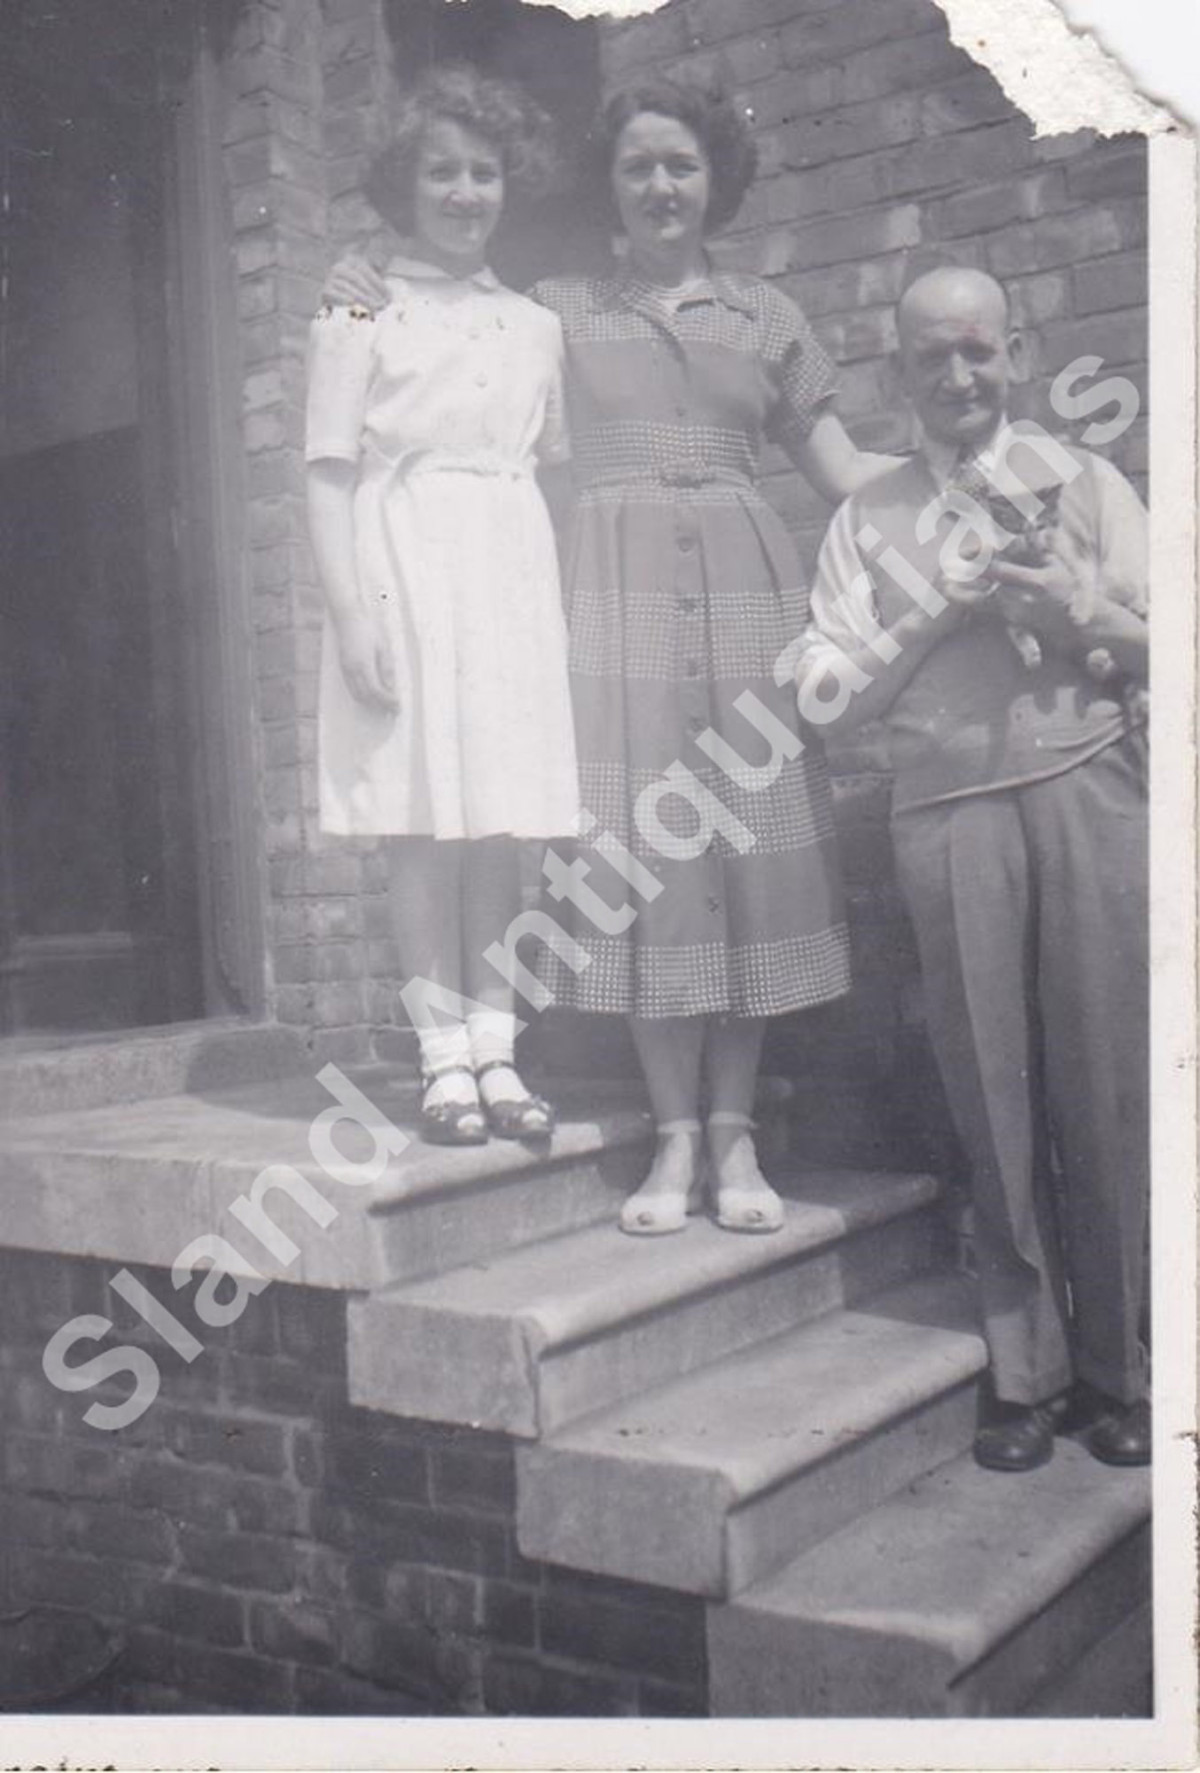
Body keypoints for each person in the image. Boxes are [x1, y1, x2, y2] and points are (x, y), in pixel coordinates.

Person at [328, 76, 896, 1236]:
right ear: (610, 185)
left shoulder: (767, 316)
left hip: (746, 604)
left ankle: (733, 1135)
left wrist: (968, 467)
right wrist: (361, 272)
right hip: (612, 607)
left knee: (743, 849)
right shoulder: (559, 311)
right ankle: (672, 1137)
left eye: (681, 163)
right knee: (642, 855)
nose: (660, 185)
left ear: (715, 178)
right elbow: (448, 339)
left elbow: (845, 472)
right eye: (637, 165)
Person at [797, 265, 1150, 1471]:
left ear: (1016, 356)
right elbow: (826, 701)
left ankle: (1125, 1368)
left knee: (1106, 1080)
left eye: (977, 352)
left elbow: (1169, 639)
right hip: (945, 811)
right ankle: (1028, 1374)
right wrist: (931, 615)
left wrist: (1079, 610)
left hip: (1086, 786)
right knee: (989, 1094)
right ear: (895, 373)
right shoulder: (865, 520)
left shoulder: (1085, 478)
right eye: (931, 357)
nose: (957, 376)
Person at [306, 65, 580, 1146]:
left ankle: (497, 1053)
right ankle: (441, 1062)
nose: (465, 193)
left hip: (505, 574)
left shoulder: (535, 324)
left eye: (484, 172)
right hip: (403, 570)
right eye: (441, 172)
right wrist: (352, 614)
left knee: (496, 825)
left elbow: (549, 464)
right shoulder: (359, 303)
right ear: (403, 184)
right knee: (421, 822)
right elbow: (328, 471)